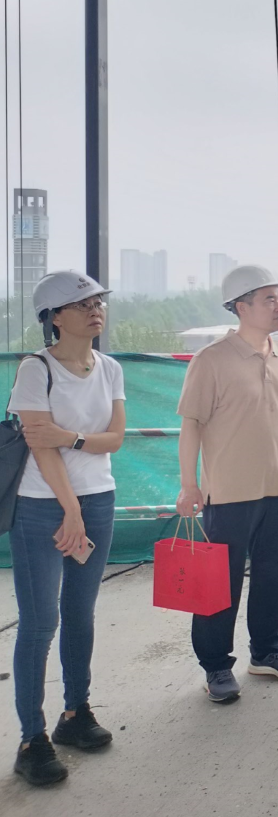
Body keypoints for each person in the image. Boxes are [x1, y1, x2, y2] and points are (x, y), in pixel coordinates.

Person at [8, 272, 125, 785]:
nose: (95, 309)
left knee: (80, 612)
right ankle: (31, 739)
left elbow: (114, 439)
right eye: (81, 304)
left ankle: (75, 713)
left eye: (98, 301)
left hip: (99, 499)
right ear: (54, 317)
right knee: (39, 623)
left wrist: (70, 437)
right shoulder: (35, 369)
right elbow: (39, 444)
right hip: (41, 506)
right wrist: (70, 508)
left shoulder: (110, 368)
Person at [176, 265, 278, 702]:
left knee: (275, 572)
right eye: (269, 299)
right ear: (241, 306)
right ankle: (216, 665)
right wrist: (189, 484)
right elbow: (191, 424)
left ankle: (267, 653)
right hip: (229, 491)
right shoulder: (211, 360)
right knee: (220, 582)